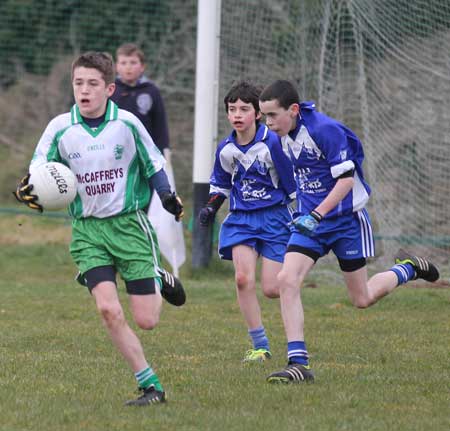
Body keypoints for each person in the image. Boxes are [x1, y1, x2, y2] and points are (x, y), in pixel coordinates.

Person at [13, 51, 186, 406]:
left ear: (109, 88)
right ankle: (150, 385)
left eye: (93, 84)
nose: (84, 90)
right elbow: (39, 171)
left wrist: (167, 195)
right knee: (108, 309)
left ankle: (156, 273)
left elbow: (154, 163)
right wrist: (26, 189)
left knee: (147, 320)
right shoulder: (60, 127)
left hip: (129, 227)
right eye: (78, 83)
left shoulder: (128, 123)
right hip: (88, 231)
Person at [258, 79, 440, 383]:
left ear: (292, 109)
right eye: (264, 116)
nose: (268, 122)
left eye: (272, 115)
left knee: (362, 299)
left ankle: (407, 268)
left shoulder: (324, 130)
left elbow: (345, 182)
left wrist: (317, 213)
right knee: (286, 281)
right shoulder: (279, 138)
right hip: (310, 223)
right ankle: (298, 363)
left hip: (345, 221)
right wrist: (302, 212)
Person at [199, 81, 296, 363]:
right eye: (232, 109)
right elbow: (220, 186)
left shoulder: (273, 143)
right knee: (243, 279)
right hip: (241, 219)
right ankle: (260, 346)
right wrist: (210, 208)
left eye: (244, 109)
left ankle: (296, 274)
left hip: (275, 218)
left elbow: (292, 186)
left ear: (257, 113)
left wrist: (304, 214)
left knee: (272, 288)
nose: (237, 114)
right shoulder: (225, 149)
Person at [110, 42, 171, 161]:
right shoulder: (110, 90)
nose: (128, 67)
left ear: (142, 66)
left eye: (133, 62)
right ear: (117, 67)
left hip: (145, 153)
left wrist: (162, 151)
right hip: (115, 152)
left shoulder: (151, 91)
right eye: (123, 63)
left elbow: (160, 126)